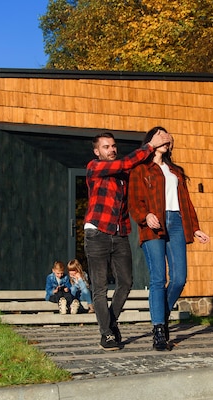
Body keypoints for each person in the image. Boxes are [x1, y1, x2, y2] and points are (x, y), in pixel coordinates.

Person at [84, 130, 169, 351]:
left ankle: (110, 322)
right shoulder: (94, 167)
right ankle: (107, 334)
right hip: (97, 232)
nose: (111, 149)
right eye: (106, 147)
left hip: (120, 233)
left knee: (126, 282)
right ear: (97, 151)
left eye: (113, 146)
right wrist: (150, 146)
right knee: (100, 287)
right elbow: (125, 164)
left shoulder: (124, 174)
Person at [129, 127, 210, 351]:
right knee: (157, 278)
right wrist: (145, 216)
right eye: (161, 137)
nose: (166, 140)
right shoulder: (140, 169)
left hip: (176, 223)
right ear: (152, 141)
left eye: (168, 138)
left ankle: (160, 316)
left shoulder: (175, 171)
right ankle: (159, 330)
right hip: (153, 223)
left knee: (179, 278)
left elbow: (186, 202)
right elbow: (134, 202)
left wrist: (195, 228)